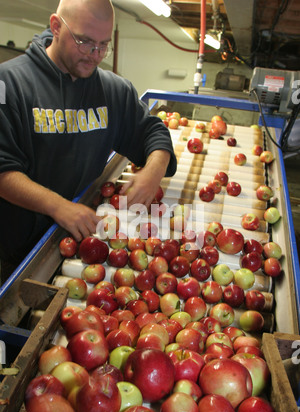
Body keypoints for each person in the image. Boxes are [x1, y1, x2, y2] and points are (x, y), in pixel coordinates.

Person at [0, 0, 177, 283]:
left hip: (82, 241)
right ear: (56, 26)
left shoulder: (112, 90)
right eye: (84, 42)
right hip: (15, 251)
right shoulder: (7, 84)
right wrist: (58, 206)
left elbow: (153, 132)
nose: (95, 55)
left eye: (103, 45)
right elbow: (3, 169)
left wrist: (153, 171)